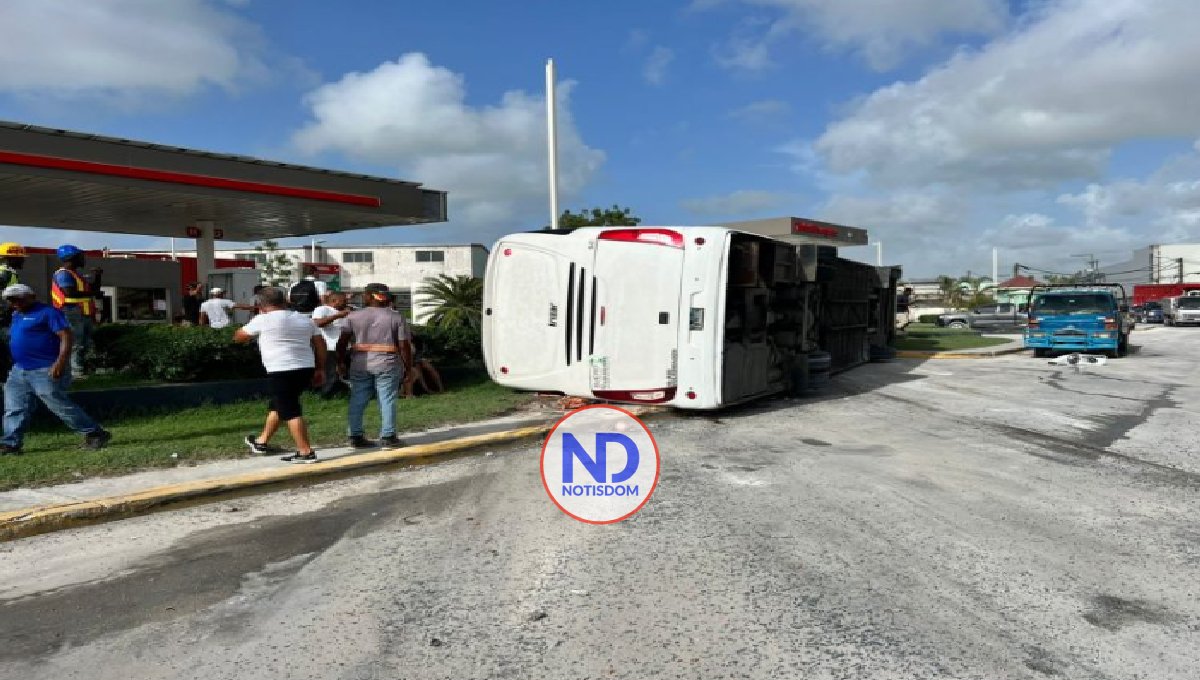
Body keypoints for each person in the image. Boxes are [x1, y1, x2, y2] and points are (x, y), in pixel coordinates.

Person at [1, 284, 111, 454]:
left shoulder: (48, 313)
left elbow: (66, 336)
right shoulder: (16, 315)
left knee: (59, 405)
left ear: (31, 296)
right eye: (11, 300)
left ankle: (94, 433)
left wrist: (60, 363)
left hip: (45, 369)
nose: (14, 303)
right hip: (19, 370)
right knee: (14, 408)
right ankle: (11, 444)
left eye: (18, 298)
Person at [234, 286, 326, 463]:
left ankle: (305, 452)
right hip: (305, 367)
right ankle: (261, 442)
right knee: (278, 403)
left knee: (290, 410)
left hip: (281, 369)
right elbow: (320, 344)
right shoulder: (305, 320)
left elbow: (239, 337)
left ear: (261, 304)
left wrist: (254, 323)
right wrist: (320, 368)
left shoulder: (262, 319)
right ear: (285, 301)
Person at [336, 283, 412, 449]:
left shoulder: (354, 316)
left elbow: (342, 342)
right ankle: (388, 436)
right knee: (386, 399)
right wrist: (408, 366)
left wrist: (340, 362)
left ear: (368, 296)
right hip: (387, 363)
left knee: (358, 399)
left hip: (360, 364)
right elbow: (404, 345)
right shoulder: (396, 317)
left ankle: (355, 436)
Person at [51, 244, 103, 379]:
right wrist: (90, 293)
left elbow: (93, 290)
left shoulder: (76, 275)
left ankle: (79, 369)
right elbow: (69, 293)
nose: (83, 259)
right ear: (72, 257)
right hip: (70, 312)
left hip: (81, 313)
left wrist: (97, 277)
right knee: (75, 342)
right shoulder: (63, 274)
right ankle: (75, 371)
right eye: (80, 256)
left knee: (84, 342)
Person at [311, 291, 350, 398]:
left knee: (337, 372)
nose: (346, 303)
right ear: (334, 301)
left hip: (339, 347)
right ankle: (324, 394)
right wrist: (336, 316)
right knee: (328, 372)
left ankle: (334, 391)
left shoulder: (341, 312)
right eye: (344, 301)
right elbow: (317, 323)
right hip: (327, 346)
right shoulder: (322, 309)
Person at [0, 242, 27, 383]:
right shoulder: (5, 273)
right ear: (10, 258)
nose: (23, 260)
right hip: (3, 320)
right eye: (20, 257)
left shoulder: (7, 273)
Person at [402, 332, 444, 398]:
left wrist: (418, 361)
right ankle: (424, 389)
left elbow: (417, 356)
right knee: (416, 371)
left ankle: (441, 388)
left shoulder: (416, 343)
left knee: (427, 366)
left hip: (414, 360)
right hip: (406, 363)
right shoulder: (404, 344)